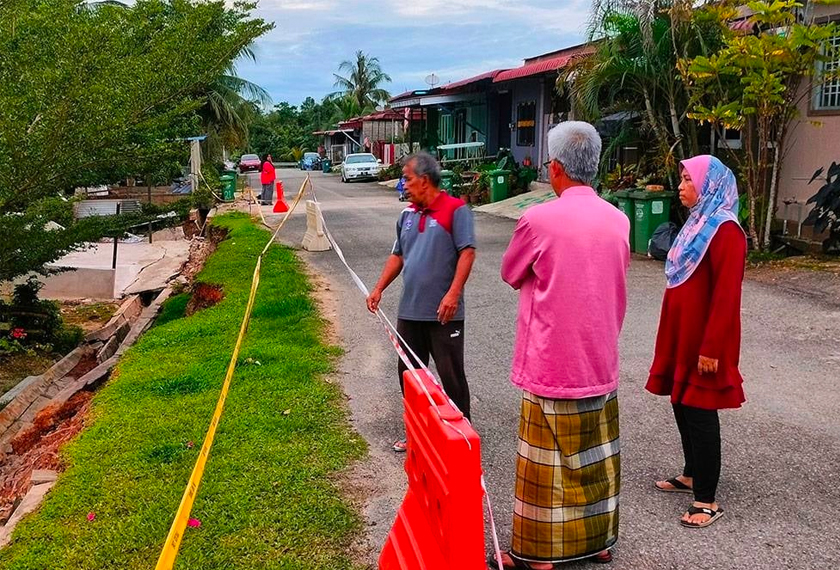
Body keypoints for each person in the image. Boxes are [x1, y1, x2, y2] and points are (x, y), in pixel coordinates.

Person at [495, 121, 629, 569]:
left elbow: (511, 272)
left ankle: (539, 554)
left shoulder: (538, 219)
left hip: (551, 359)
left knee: (544, 466)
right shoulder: (619, 219)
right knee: (596, 458)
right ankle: (597, 541)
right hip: (599, 355)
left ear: (555, 168)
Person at [646, 155, 747, 529]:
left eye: (689, 180)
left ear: (709, 186)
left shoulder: (725, 231)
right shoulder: (697, 225)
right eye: (682, 179)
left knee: (701, 407)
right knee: (681, 399)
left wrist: (711, 347)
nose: (682, 186)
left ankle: (706, 498)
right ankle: (691, 473)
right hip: (681, 332)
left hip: (705, 338)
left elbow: (726, 296)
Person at [366, 152, 476, 452]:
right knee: (410, 377)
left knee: (451, 374)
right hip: (410, 312)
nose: (404, 184)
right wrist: (379, 288)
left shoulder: (456, 211)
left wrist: (453, 294)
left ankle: (462, 431)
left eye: (408, 178)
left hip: (444, 315)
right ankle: (417, 432)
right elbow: (398, 255)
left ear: (424, 180)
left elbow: (467, 253)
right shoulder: (407, 216)